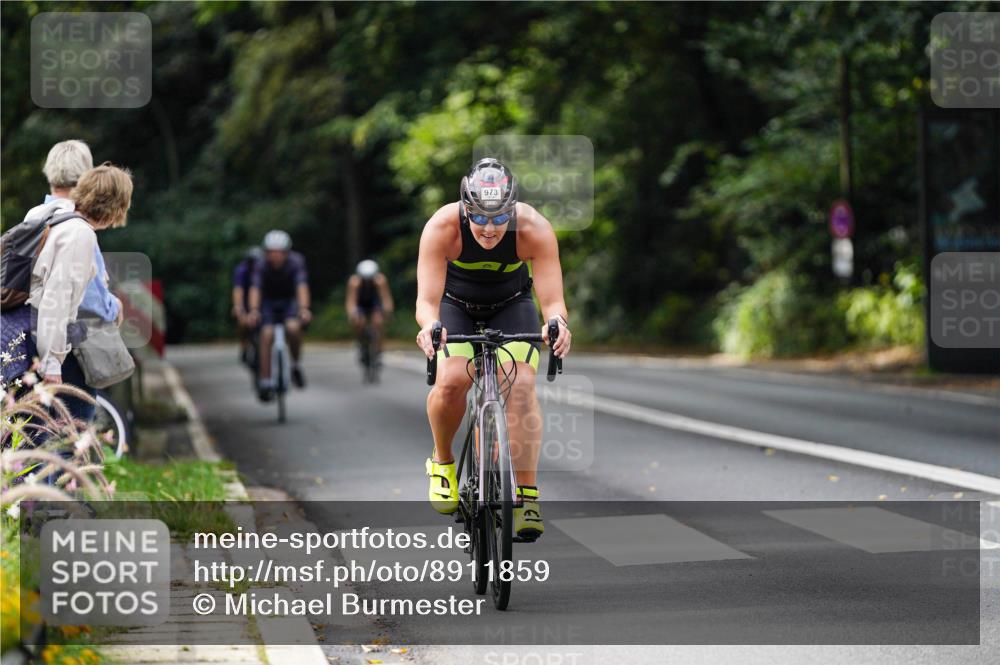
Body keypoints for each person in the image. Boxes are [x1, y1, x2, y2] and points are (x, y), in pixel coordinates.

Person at [414, 157, 571, 542]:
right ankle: (443, 463)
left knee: (519, 387)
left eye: (499, 218)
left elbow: (552, 300)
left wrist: (557, 325)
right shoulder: (442, 227)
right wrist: (429, 327)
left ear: (512, 212)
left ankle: (527, 497)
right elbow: (426, 302)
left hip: (511, 304)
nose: (488, 228)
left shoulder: (533, 228)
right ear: (465, 209)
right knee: (452, 380)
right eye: (479, 218)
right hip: (456, 306)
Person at [27, 163, 133, 423]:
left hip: (27, 335)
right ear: (116, 208)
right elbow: (57, 300)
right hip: (55, 349)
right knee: (69, 436)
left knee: (40, 434)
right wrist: (52, 363)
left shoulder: (48, 215)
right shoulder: (80, 235)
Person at [246, 230, 311, 401]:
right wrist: (253, 310)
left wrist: (304, 308)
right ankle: (266, 380)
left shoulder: (296, 262)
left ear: (286, 252)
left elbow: (302, 286)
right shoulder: (260, 265)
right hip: (267, 302)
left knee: (293, 328)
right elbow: (255, 289)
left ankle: (295, 365)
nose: (276, 256)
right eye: (272, 252)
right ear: (266, 253)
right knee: (266, 334)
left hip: (289, 301)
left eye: (280, 252)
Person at [345, 259, 394, 366]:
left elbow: (385, 298)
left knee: (378, 322)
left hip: (374, 303)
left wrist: (387, 312)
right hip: (360, 304)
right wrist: (352, 314)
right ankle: (361, 343)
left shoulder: (380, 281)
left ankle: (379, 350)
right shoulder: (354, 282)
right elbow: (351, 301)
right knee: (359, 322)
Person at [232, 246, 263, 366]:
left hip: (262, 300)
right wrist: (238, 307)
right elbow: (238, 290)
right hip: (246, 300)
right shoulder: (242, 270)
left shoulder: (265, 269)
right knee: (243, 323)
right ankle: (244, 345)